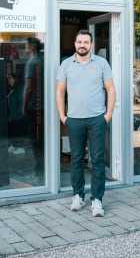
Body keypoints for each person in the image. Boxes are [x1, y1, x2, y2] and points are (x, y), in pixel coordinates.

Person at [56, 29, 116, 216]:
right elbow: (60, 91)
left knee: (97, 160)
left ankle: (97, 200)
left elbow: (111, 89)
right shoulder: (66, 64)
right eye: (79, 42)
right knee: (76, 159)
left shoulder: (101, 63)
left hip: (97, 119)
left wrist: (108, 115)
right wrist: (62, 116)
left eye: (86, 42)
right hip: (74, 120)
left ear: (91, 45)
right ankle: (78, 196)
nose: (82, 45)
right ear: (75, 44)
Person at [22, 37, 44, 172]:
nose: (25, 49)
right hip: (45, 105)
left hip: (35, 107)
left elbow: (29, 88)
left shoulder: (32, 62)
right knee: (44, 135)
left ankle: (40, 165)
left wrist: (24, 106)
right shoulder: (45, 60)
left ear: (30, 48)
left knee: (36, 137)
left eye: (26, 46)